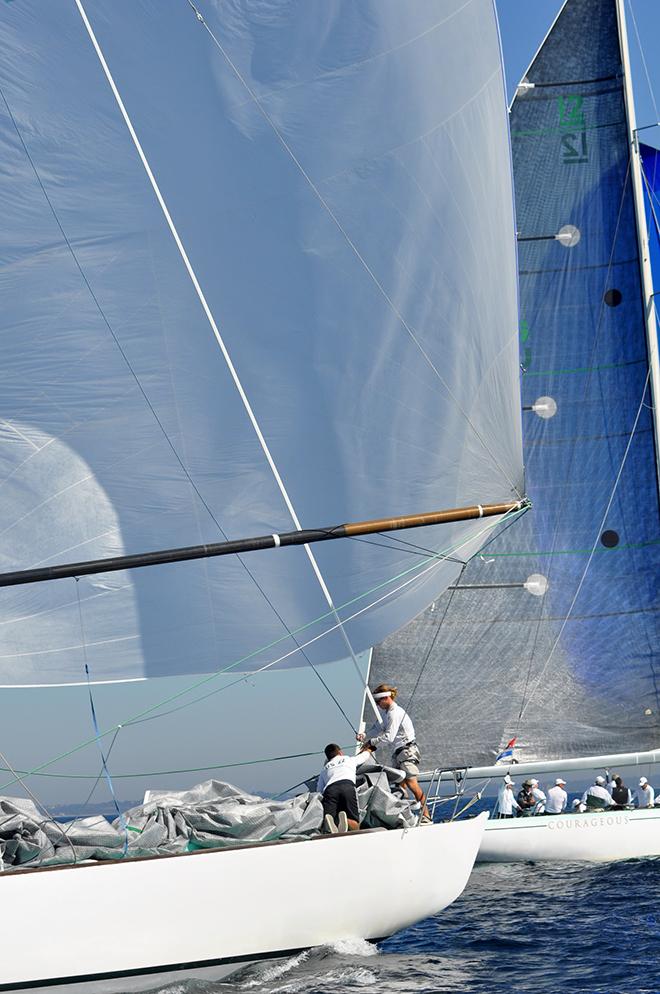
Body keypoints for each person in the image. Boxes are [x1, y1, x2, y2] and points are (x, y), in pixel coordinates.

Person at [358, 683, 431, 822]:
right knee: (400, 787)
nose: (378, 705)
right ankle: (406, 817)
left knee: (411, 783)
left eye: (378, 701)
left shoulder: (394, 713)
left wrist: (371, 743)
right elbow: (378, 728)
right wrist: (365, 735)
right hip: (398, 753)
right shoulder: (386, 713)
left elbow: (389, 737)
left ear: (386, 698)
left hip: (407, 751)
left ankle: (426, 815)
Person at [316, 743, 363, 833]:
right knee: (355, 822)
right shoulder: (348, 759)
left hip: (330, 790)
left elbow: (319, 791)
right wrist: (369, 749)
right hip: (347, 786)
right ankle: (347, 821)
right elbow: (363, 756)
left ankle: (335, 821)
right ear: (340, 752)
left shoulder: (324, 769)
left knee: (329, 818)